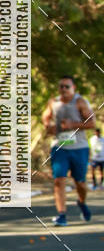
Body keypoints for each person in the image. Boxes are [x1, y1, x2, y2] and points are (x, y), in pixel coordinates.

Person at [41, 76, 95, 226]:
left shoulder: (80, 102)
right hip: (59, 147)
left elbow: (92, 123)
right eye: (61, 86)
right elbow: (45, 116)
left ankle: (82, 202)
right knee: (59, 180)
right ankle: (62, 215)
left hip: (79, 148)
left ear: (74, 88)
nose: (63, 89)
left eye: (67, 86)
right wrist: (48, 126)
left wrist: (74, 124)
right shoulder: (53, 102)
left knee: (80, 183)